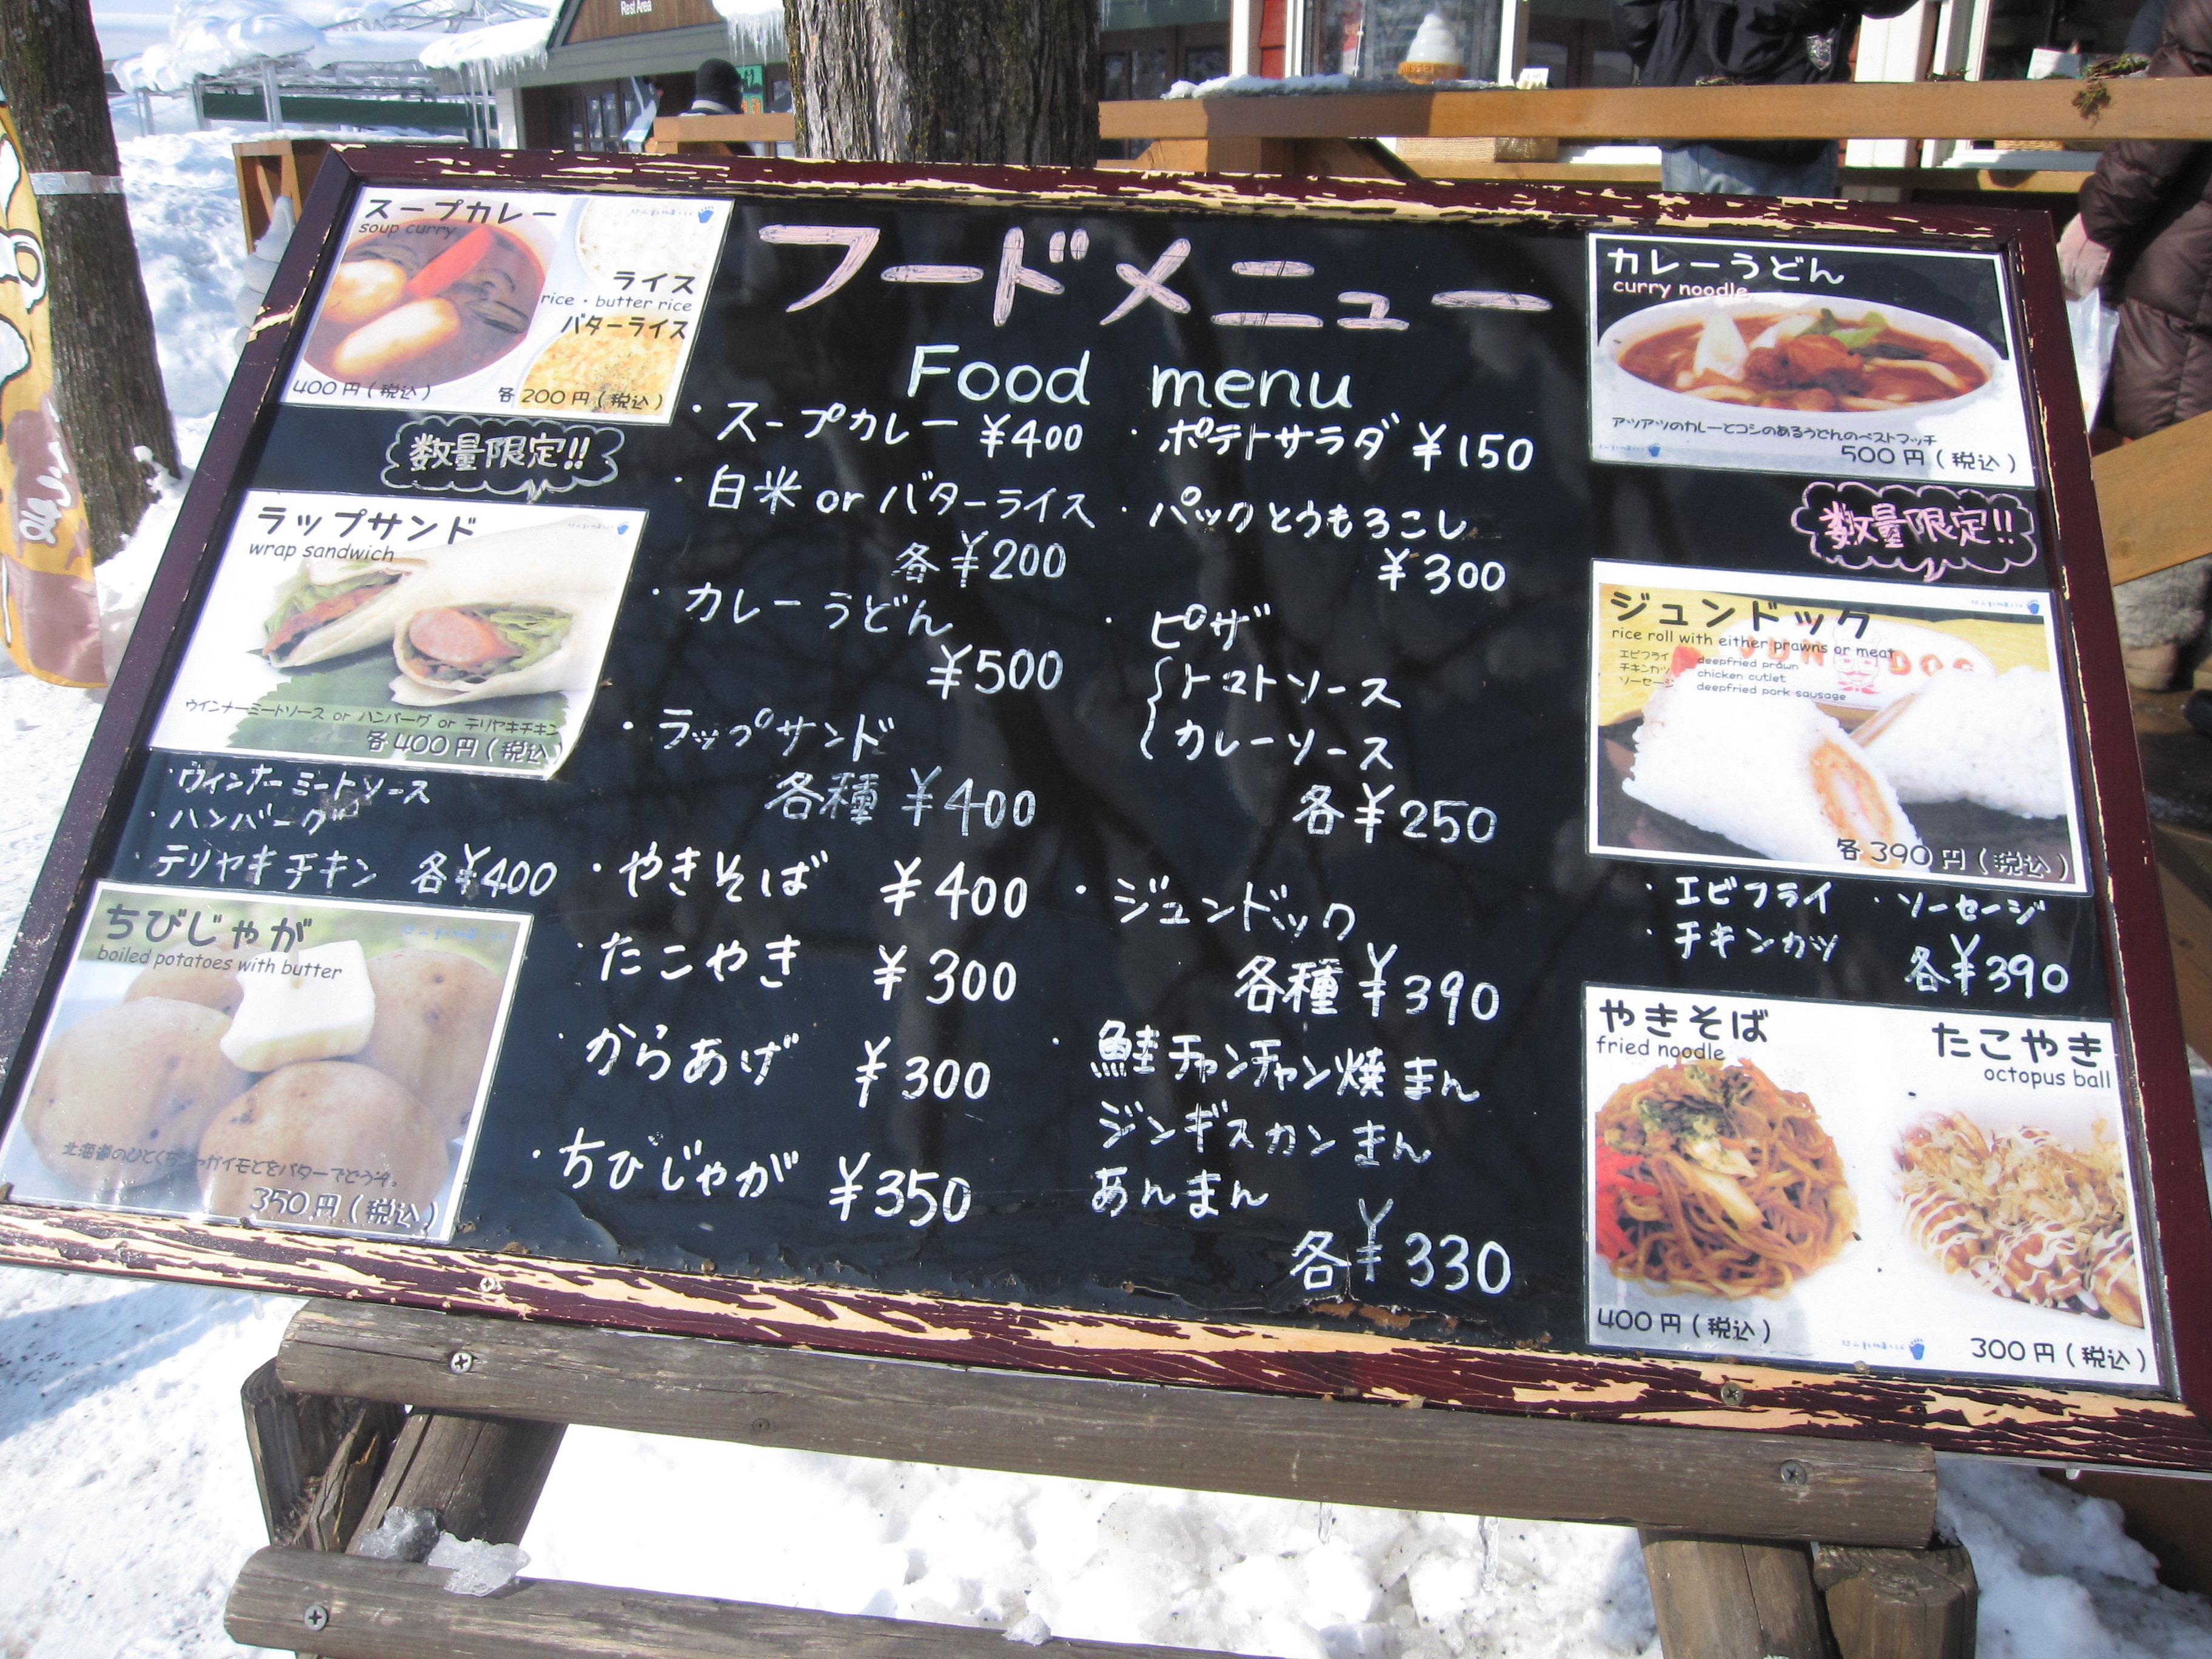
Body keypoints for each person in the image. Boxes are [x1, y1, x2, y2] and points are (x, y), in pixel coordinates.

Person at [2057, 0, 2212, 688]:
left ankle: (2146, 638)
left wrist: (2101, 216)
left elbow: (2177, 89)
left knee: (2168, 413)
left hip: (2193, 228)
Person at [1611, 0, 1917, 196]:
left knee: (1696, 279)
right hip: (1787, 114)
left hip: (1690, 115)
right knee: (1776, 285)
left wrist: (1677, 63)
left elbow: (1634, 14)